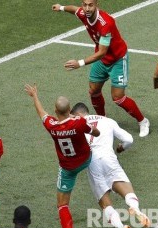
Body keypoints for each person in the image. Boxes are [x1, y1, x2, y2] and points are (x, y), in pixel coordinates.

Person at [52, 0, 150, 137]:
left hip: (117, 59)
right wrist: (61, 7)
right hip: (101, 60)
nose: (87, 8)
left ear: (96, 4)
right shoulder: (83, 12)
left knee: (118, 98)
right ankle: (103, 120)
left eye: (90, 5)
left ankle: (143, 121)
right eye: (84, 4)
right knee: (93, 91)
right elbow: (74, 9)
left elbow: (102, 52)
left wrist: (79, 63)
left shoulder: (106, 23)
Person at [24, 83, 100, 228]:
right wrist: (79, 121)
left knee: (62, 204)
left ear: (56, 111)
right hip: (85, 160)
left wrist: (35, 96)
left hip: (68, 168)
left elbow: (41, 113)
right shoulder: (79, 122)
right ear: (70, 109)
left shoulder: (52, 126)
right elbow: (96, 133)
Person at [70, 102, 151, 228]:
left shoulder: (77, 125)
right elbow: (129, 139)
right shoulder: (107, 121)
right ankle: (135, 209)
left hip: (93, 163)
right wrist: (121, 148)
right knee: (127, 190)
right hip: (110, 158)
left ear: (79, 115)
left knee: (105, 204)